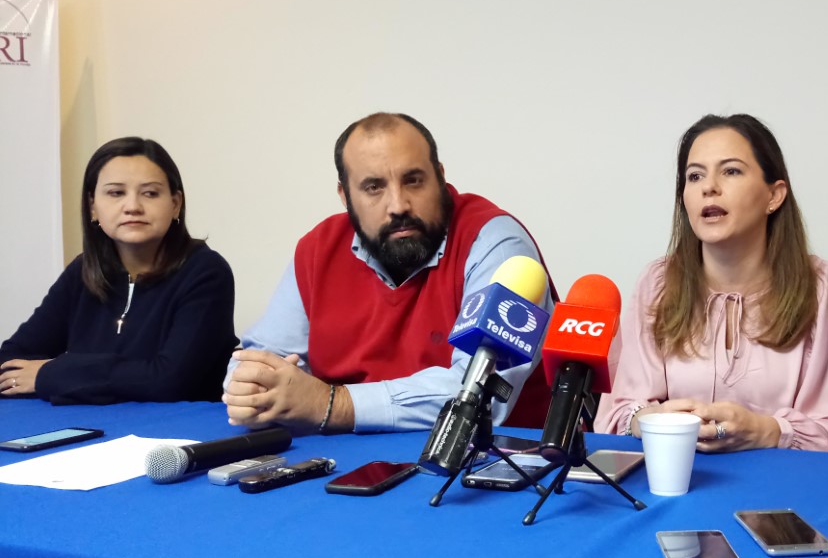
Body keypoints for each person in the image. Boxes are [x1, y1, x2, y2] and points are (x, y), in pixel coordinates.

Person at [223, 112, 555, 433]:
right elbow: (257, 360)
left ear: (440, 178)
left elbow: (478, 392)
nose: (398, 205)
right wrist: (256, 392)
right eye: (373, 187)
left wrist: (330, 404)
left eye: (413, 181)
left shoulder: (496, 243)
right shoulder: (317, 250)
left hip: (503, 459)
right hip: (351, 456)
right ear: (345, 196)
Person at [596, 114, 828, 453]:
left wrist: (767, 431)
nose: (708, 187)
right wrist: (648, 420)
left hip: (785, 481)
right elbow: (618, 412)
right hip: (681, 475)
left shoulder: (825, 288)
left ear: (774, 195)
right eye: (695, 176)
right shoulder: (657, 282)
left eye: (730, 171)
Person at [1, 137, 237, 404]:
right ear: (92, 206)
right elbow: (10, 360)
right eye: (116, 193)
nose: (133, 206)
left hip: (176, 425)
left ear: (175, 204)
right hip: (87, 424)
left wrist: (53, 373)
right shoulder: (83, 271)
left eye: (150, 193)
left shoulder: (205, 272)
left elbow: (169, 381)